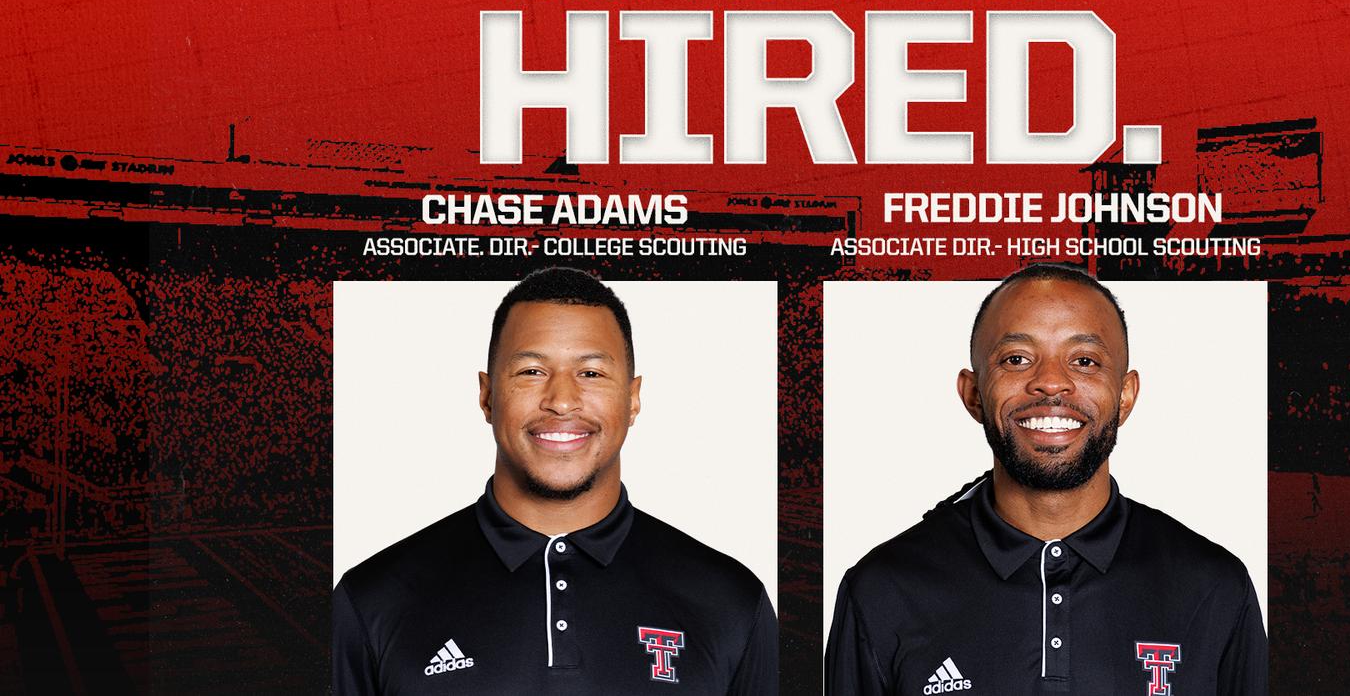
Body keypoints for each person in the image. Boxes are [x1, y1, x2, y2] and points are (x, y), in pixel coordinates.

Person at [826, 263, 1266, 695]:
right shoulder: (882, 589)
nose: (1052, 383)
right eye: (1017, 359)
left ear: (1126, 396)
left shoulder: (1214, 586)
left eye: (1085, 361)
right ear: (974, 393)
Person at [334, 268, 776, 695]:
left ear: (633, 398)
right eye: (531, 372)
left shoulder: (731, 602)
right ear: (487, 396)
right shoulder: (373, 599)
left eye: (591, 373)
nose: (562, 401)